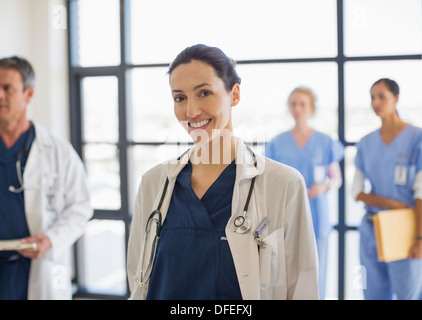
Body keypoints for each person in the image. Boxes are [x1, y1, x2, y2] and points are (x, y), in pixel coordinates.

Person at [127, 44, 319, 300]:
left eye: (204, 93)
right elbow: (139, 282)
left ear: (235, 95)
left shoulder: (283, 184)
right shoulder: (154, 183)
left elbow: (303, 287)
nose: (191, 111)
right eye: (179, 98)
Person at [0, 56, 93, 299]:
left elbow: (81, 208)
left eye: (7, 88)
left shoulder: (58, 151)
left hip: (37, 268)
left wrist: (51, 240)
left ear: (28, 94)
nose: (0, 95)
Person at [264, 86, 344, 299]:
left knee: (316, 271)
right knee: (284, 273)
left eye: (302, 104)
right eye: (293, 104)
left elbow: (336, 179)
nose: (297, 108)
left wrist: (324, 187)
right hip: (283, 212)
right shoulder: (277, 143)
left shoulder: (325, 142)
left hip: (316, 213)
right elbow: (268, 179)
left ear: (312, 108)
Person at [352, 78, 422, 300]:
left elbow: (420, 193)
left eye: (382, 96)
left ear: (396, 98)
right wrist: (390, 203)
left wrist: (419, 238)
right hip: (372, 229)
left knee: (407, 292)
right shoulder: (365, 143)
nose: (376, 102)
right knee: (373, 293)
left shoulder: (417, 139)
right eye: (372, 97)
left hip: (405, 229)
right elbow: (357, 192)